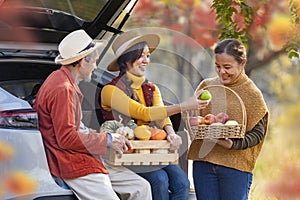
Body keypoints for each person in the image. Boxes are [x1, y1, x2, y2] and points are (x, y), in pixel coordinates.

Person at [33, 29, 152, 200]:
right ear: (82, 62)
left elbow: (76, 129)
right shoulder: (63, 89)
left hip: (85, 155)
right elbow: (66, 138)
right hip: (71, 162)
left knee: (141, 187)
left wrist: (107, 137)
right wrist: (108, 140)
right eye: (94, 61)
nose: (96, 67)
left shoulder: (63, 80)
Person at [100, 30, 209, 200]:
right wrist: (184, 106)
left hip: (150, 151)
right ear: (126, 60)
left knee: (182, 183)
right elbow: (144, 113)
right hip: (127, 154)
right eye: (140, 56)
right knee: (159, 180)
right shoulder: (110, 91)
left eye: (148, 55)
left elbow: (161, 116)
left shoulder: (151, 88)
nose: (146, 61)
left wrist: (171, 133)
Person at [187, 39, 269, 200]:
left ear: (242, 63)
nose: (222, 72)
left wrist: (233, 144)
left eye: (227, 67)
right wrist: (189, 108)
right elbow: (194, 120)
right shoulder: (207, 87)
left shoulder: (252, 94)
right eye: (218, 66)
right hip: (204, 164)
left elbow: (258, 133)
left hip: (235, 167)